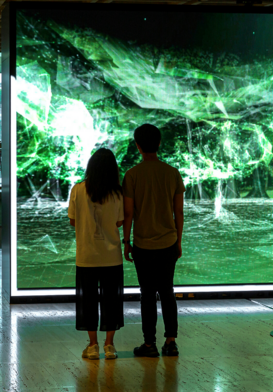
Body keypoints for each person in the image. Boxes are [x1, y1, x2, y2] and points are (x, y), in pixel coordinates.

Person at [123, 124, 185, 358]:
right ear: (159, 144)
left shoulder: (132, 175)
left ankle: (149, 344)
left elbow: (128, 213)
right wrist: (179, 241)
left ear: (138, 146)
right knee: (167, 291)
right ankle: (171, 342)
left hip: (143, 245)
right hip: (168, 242)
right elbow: (178, 212)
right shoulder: (172, 173)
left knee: (147, 294)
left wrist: (126, 241)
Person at [68, 148, 125, 360]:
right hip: (111, 256)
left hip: (86, 255)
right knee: (112, 300)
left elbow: (73, 220)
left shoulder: (78, 189)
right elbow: (120, 222)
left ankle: (92, 346)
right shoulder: (118, 193)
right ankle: (109, 346)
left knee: (88, 300)